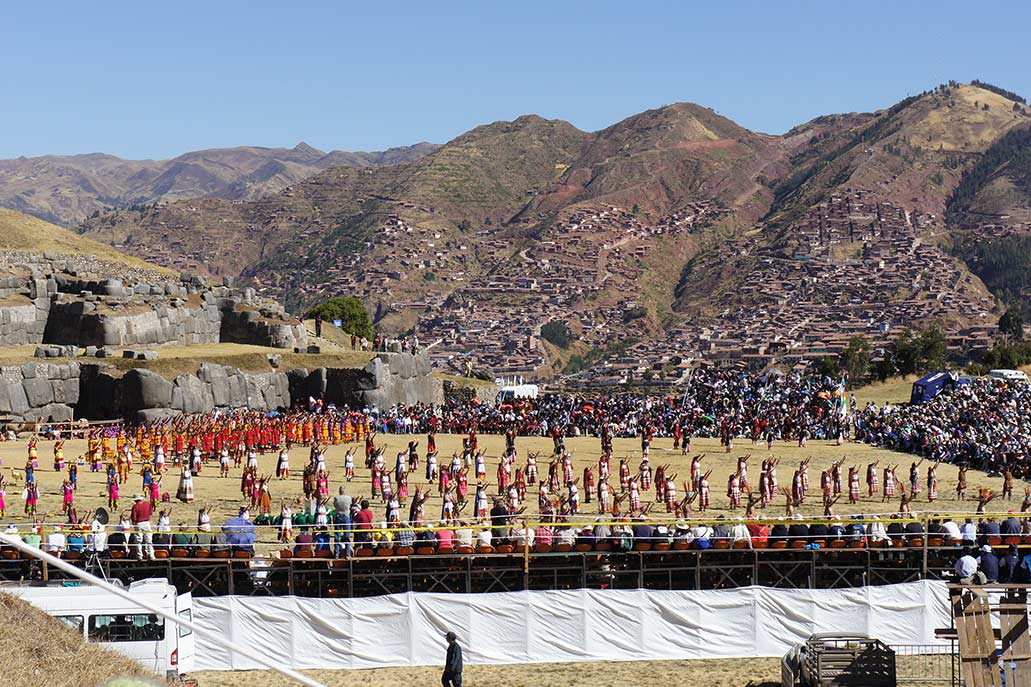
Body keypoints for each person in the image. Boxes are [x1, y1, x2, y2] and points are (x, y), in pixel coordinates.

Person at [130, 493, 155, 560]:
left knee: (138, 540)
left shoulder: (135, 506)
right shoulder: (147, 504)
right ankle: (151, 555)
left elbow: (134, 517)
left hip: (139, 523)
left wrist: (134, 523)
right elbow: (150, 513)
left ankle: (139, 555)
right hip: (147, 523)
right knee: (149, 539)